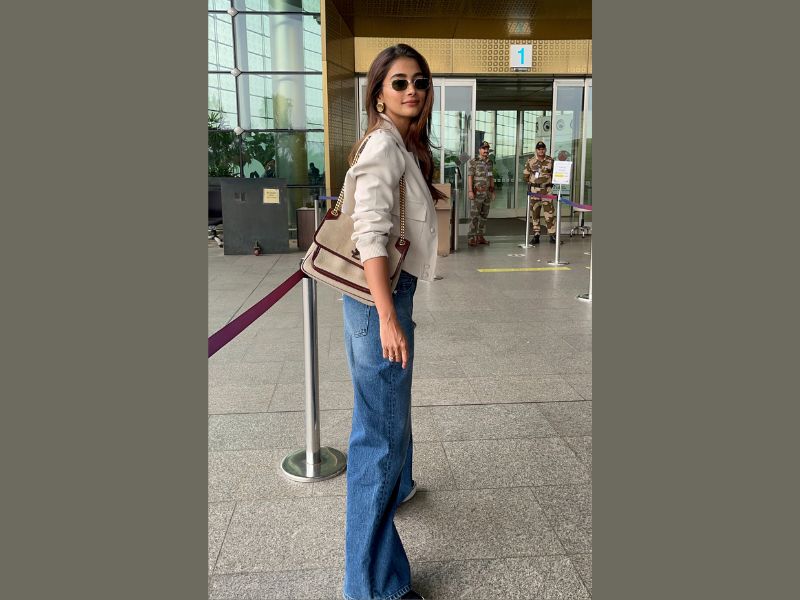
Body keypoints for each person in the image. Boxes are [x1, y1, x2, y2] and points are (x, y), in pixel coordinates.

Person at [339, 43, 445, 600]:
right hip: (377, 298)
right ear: (378, 93)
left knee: (384, 422)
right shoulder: (384, 144)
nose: (412, 90)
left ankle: (397, 487)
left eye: (419, 81)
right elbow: (370, 237)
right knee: (377, 441)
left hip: (384, 296)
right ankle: (373, 587)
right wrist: (386, 317)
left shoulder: (401, 145)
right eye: (399, 82)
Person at [523, 141, 561, 244]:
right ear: (536, 150)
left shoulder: (550, 161)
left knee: (549, 214)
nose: (541, 151)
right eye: (539, 149)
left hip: (547, 192)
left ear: (545, 149)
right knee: (535, 213)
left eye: (543, 149)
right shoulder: (531, 161)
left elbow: (555, 175)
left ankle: (552, 235)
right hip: (534, 192)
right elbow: (525, 175)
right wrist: (533, 184)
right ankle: (536, 235)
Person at [466, 141, 495, 246]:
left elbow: (491, 177)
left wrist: (492, 191)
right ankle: (471, 237)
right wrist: (470, 191)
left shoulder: (490, 162)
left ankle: (480, 237)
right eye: (484, 148)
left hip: (487, 193)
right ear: (479, 150)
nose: (486, 150)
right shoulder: (474, 161)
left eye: (487, 149)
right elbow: (470, 177)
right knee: (474, 216)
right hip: (477, 193)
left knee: (484, 216)